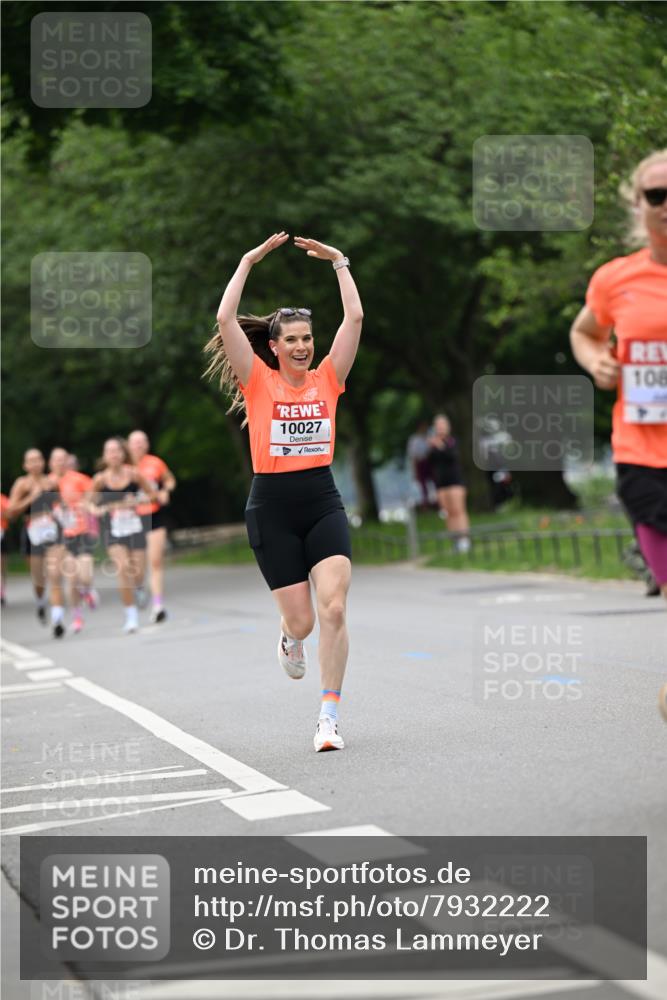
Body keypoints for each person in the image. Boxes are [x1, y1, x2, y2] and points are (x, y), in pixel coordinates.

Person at [205, 231, 363, 751]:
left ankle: (328, 717)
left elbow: (355, 320)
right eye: (291, 339)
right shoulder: (258, 380)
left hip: (321, 499)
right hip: (271, 506)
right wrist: (248, 260)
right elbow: (226, 320)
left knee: (334, 609)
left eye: (306, 338)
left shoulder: (329, 378)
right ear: (274, 347)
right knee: (302, 619)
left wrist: (339, 262)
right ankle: (289, 635)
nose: (301, 346)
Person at [570, 149, 667, 603]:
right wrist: (596, 361)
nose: (666, 203)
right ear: (639, 204)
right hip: (643, 452)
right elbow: (585, 332)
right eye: (656, 194)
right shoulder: (616, 279)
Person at [89, 438, 157, 633]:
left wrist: (136, 499)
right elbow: (88, 503)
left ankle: (139, 587)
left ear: (123, 453)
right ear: (105, 456)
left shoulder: (134, 474)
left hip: (135, 526)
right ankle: (131, 616)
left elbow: (152, 495)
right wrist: (97, 509)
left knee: (137, 572)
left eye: (117, 451)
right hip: (113, 530)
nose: (114, 455)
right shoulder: (100, 479)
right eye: (109, 451)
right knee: (123, 569)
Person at [8, 448, 60, 630]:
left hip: (51, 532)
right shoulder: (22, 484)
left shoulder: (51, 482)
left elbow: (60, 505)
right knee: (39, 579)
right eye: (31, 460)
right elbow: (10, 511)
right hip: (32, 533)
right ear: (25, 465)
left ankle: (57, 618)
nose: (36, 463)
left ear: (43, 462)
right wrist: (31, 497)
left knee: (54, 573)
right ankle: (40, 601)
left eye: (38, 459)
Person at [127, 430, 176, 624]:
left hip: (155, 515)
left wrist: (165, 490)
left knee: (155, 562)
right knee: (137, 568)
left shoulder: (155, 462)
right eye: (135, 442)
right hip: (132, 519)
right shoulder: (124, 468)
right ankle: (139, 586)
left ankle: (158, 606)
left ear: (147, 445)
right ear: (129, 446)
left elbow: (170, 480)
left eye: (142, 442)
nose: (139, 445)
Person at [57, 454, 99, 634]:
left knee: (85, 576)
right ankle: (77, 617)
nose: (69, 466)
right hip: (66, 535)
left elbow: (95, 497)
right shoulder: (53, 482)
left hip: (83, 532)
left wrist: (85, 504)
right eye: (66, 462)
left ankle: (87, 590)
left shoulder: (82, 480)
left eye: (72, 463)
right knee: (71, 580)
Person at [428, 414, 471, 552]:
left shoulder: (452, 441)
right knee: (448, 513)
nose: (440, 428)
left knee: (459, 510)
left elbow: (452, 456)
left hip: (455, 482)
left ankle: (464, 539)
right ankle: (455, 541)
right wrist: (432, 447)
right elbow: (430, 462)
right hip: (441, 483)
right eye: (438, 425)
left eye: (442, 425)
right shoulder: (433, 445)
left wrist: (440, 445)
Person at [406, 421, 435, 508]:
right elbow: (413, 456)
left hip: (430, 462)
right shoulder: (414, 440)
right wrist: (414, 470)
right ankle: (426, 504)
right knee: (423, 486)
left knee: (434, 482)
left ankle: (436, 502)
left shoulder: (430, 438)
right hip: (420, 463)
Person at [1, 491, 9, 606]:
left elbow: (10, 513)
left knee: (1, 565)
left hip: (1, 534)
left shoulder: (2, 498)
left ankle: (1, 591)